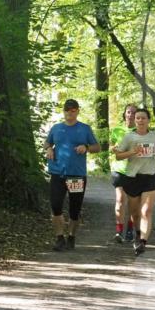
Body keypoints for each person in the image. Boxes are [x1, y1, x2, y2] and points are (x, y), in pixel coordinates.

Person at [44, 99, 101, 251]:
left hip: (76, 175)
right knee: (56, 206)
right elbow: (47, 143)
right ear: (64, 111)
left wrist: (86, 147)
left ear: (77, 111)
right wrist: (48, 149)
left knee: (74, 210)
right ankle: (59, 238)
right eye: (67, 110)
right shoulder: (56, 128)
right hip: (57, 173)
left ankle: (71, 237)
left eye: (73, 110)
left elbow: (97, 147)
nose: (70, 112)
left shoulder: (84, 129)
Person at [113, 108, 155, 256]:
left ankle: (142, 242)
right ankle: (137, 233)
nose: (140, 120)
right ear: (135, 120)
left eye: (143, 118)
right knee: (135, 212)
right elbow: (118, 156)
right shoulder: (129, 137)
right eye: (138, 118)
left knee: (146, 211)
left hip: (151, 176)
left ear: (148, 120)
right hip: (132, 177)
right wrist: (132, 152)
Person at [110, 104, 138, 242]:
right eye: (128, 112)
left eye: (134, 112)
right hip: (119, 170)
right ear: (124, 114)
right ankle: (119, 231)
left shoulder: (142, 131)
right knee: (120, 200)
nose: (131, 115)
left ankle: (130, 230)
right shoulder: (117, 130)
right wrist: (113, 148)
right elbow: (111, 146)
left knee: (133, 204)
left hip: (136, 171)